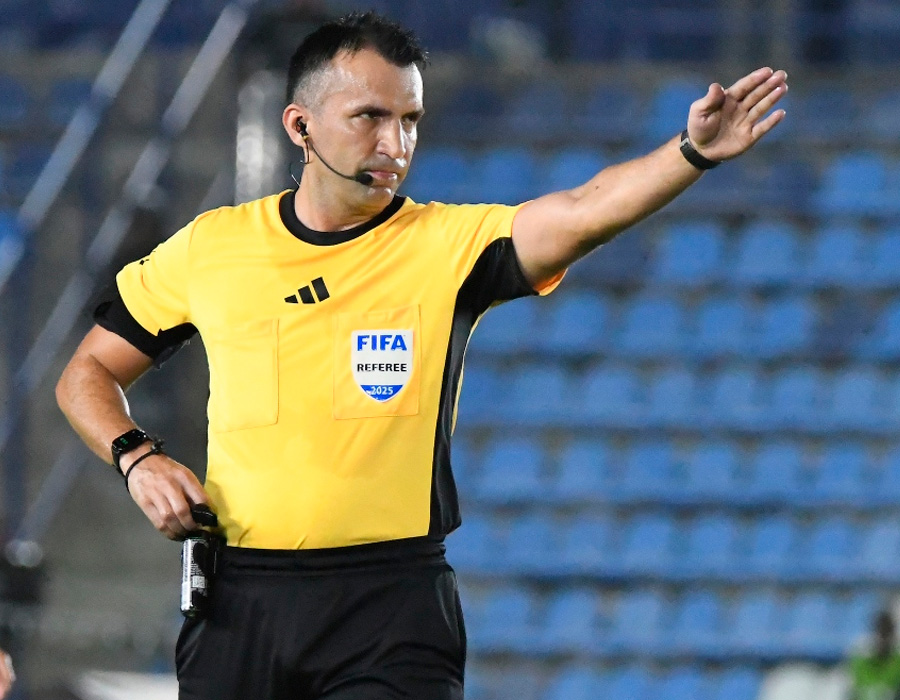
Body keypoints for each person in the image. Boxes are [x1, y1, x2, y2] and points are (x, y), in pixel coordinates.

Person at [55, 11, 787, 700]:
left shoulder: (447, 247)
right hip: (238, 603)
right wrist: (136, 457)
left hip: (390, 607)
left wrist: (690, 153)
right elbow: (87, 372)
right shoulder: (212, 248)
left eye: (410, 120)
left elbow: (583, 210)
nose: (395, 144)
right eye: (370, 117)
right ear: (300, 125)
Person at [848, 610, 900, 700]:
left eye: (887, 633)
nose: (883, 638)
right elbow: (852, 693)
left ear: (893, 634)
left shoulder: (897, 663)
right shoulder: (859, 662)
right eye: (880, 632)